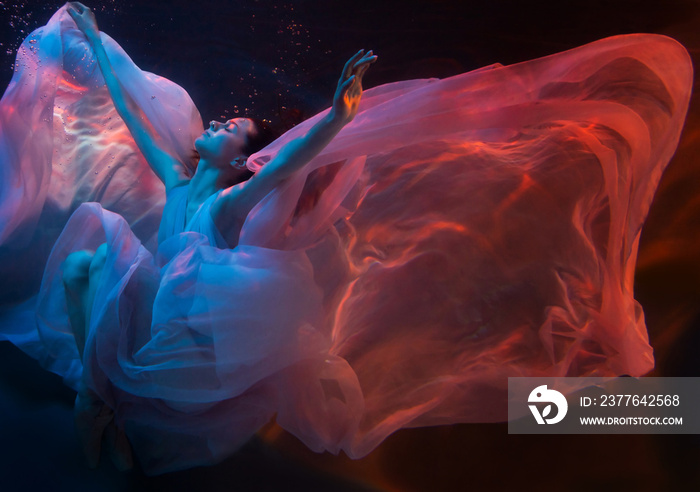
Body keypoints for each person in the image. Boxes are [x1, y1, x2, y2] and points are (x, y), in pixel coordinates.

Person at [0, 3, 693, 475]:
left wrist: (339, 114)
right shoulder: (181, 180)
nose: (219, 123)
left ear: (235, 159)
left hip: (188, 332)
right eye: (227, 124)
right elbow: (132, 111)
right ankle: (104, 400)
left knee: (95, 262)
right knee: (92, 255)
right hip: (167, 310)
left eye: (232, 129)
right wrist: (93, 43)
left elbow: (290, 165)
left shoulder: (235, 202)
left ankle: (103, 401)